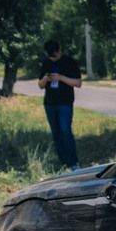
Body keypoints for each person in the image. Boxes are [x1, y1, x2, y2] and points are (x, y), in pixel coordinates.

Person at [39, 39, 82, 170]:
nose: (52, 58)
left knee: (65, 131)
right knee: (56, 133)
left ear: (58, 50)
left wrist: (61, 78)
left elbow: (78, 83)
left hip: (65, 102)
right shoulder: (46, 63)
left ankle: (73, 162)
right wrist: (46, 78)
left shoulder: (69, 62)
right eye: (50, 56)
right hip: (50, 103)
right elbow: (40, 85)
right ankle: (63, 162)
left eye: (54, 55)